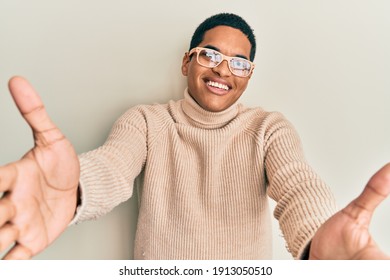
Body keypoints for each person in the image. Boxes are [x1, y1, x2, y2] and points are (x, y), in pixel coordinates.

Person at [0, 13, 389, 260]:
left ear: (248, 75)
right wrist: (74, 192)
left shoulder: (269, 128)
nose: (223, 70)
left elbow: (298, 185)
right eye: (210, 55)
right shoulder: (147, 121)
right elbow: (113, 167)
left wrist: (318, 235)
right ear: (188, 61)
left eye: (239, 63)